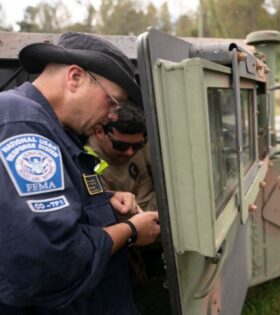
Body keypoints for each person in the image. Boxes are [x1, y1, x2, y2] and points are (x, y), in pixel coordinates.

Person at [0, 32, 160, 314]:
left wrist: (104, 199)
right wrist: (131, 231)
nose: (113, 115)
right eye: (113, 101)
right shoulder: (21, 124)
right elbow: (52, 259)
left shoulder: (54, 127)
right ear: (75, 78)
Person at [86, 102, 157, 212]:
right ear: (99, 132)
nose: (130, 152)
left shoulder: (139, 141)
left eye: (137, 146)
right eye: (121, 145)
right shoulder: (89, 163)